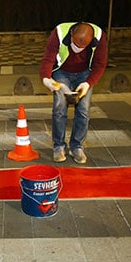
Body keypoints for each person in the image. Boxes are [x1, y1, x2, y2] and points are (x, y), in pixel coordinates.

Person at [39, 22, 108, 163]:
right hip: (61, 72)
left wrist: (88, 83)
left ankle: (77, 146)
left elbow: (100, 64)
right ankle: (58, 146)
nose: (78, 49)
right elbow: (48, 58)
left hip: (85, 74)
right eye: (75, 44)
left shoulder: (99, 36)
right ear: (71, 34)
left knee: (83, 111)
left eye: (82, 47)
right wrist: (46, 78)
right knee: (59, 108)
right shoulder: (59, 32)